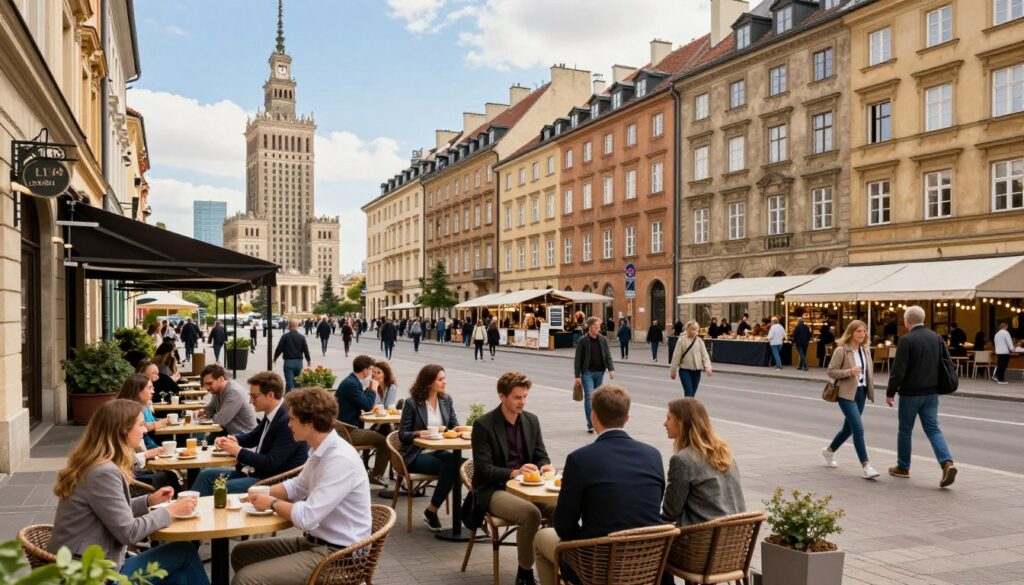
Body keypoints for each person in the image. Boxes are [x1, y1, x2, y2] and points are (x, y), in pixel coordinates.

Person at [49, 399, 209, 584]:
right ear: (122, 430)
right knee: (184, 552)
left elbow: (110, 511)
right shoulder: (103, 472)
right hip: (90, 573)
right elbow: (129, 532)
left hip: (81, 563)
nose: (144, 430)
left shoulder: (94, 464)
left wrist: (149, 501)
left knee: (180, 574)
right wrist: (171, 511)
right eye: (140, 425)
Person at [230, 386, 372, 585]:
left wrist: (271, 502)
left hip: (340, 556)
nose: (288, 425)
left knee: (246, 579)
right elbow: (297, 487)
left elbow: (307, 517)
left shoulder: (340, 458)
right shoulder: (320, 449)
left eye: (292, 419)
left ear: (309, 422)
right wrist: (257, 493)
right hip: (315, 543)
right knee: (241, 553)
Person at [534, 385, 664, 585]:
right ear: (627, 418)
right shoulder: (653, 455)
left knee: (541, 539)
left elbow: (563, 526)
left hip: (598, 564)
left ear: (593, 416)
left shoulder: (580, 459)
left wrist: (585, 539)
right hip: (648, 562)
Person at [471, 372, 554, 585]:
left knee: (562, 506)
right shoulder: (484, 425)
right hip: (494, 489)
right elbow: (483, 469)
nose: (523, 402)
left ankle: (556, 564)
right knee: (530, 514)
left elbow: (541, 454)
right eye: (517, 397)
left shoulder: (531, 420)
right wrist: (514, 473)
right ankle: (524, 573)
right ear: (502, 396)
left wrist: (544, 466)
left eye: (525, 396)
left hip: (528, 488)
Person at [192, 371, 307, 496]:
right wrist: (233, 439)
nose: (251, 401)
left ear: (270, 395)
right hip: (258, 473)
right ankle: (192, 511)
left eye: (254, 396)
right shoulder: (273, 412)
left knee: (222, 487)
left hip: (274, 481)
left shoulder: (287, 421)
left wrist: (238, 451)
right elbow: (253, 437)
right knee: (206, 475)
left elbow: (270, 463)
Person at [886, 305, 957, 488]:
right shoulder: (936, 337)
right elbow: (946, 363)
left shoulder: (906, 340)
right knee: (933, 429)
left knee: (905, 431)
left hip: (911, 393)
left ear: (907, 321)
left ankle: (903, 467)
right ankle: (946, 462)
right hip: (932, 392)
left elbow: (898, 370)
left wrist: (890, 392)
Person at [661, 398, 745, 527]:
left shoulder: (682, 460)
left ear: (681, 422)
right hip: (735, 538)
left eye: (669, 418)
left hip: (701, 541)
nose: (665, 424)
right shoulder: (724, 452)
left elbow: (670, 512)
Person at [399, 364, 463, 531]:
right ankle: (432, 512)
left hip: (439, 451)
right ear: (428, 382)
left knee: (465, 465)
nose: (445, 382)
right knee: (451, 466)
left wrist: (458, 429)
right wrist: (418, 433)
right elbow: (402, 434)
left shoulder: (446, 399)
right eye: (440, 379)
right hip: (416, 454)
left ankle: (463, 511)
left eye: (445, 378)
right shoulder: (412, 403)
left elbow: (453, 424)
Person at [822, 320, 880, 479]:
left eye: (864, 331)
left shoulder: (866, 350)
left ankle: (828, 451)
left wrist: (870, 390)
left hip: (860, 393)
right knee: (858, 429)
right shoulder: (841, 351)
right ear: (850, 333)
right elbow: (831, 371)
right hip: (846, 394)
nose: (862, 334)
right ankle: (866, 466)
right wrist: (849, 372)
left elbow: (868, 374)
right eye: (858, 331)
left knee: (848, 429)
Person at [115, 374, 178, 493]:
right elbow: (125, 460)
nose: (153, 390)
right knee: (170, 476)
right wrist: (147, 454)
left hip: (134, 469)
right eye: (149, 387)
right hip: (134, 476)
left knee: (171, 474)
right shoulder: (127, 413)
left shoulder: (137, 408)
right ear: (137, 390)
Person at [335, 355, 390, 486]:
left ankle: (369, 469)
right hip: (347, 431)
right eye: (371, 370)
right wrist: (373, 389)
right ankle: (376, 475)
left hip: (348, 427)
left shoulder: (352, 381)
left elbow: (362, 402)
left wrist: (367, 390)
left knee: (385, 431)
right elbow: (367, 406)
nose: (372, 373)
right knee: (384, 441)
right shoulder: (351, 384)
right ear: (365, 370)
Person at [572, 317, 616, 434]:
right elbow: (577, 360)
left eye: (599, 327)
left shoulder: (602, 339)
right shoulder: (583, 341)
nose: (598, 329)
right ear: (590, 327)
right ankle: (591, 423)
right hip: (587, 373)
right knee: (589, 397)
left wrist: (611, 369)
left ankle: (597, 421)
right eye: (596, 327)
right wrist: (577, 376)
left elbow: (607, 355)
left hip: (599, 372)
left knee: (597, 399)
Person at [198, 364, 258, 437]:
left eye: (210, 383)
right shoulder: (217, 391)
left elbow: (221, 420)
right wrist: (203, 412)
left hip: (244, 436)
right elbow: (210, 409)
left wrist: (208, 416)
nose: (207, 388)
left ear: (221, 379)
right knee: (206, 439)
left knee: (207, 439)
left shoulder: (234, 392)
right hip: (228, 432)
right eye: (205, 384)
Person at [669, 320, 713, 397]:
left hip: (696, 371)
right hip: (685, 370)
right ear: (688, 329)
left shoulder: (699, 341)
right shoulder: (682, 340)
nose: (693, 331)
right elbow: (676, 356)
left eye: (695, 329)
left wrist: (708, 367)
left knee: (692, 393)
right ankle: (688, 408)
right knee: (689, 392)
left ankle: (687, 408)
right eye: (692, 329)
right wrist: (673, 370)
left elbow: (705, 356)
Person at [274, 319, 311, 392]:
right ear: (297, 326)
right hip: (298, 362)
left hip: (288, 362)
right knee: (297, 382)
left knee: (289, 382)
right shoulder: (302, 337)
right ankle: (297, 397)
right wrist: (308, 360)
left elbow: (279, 348)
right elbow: (305, 349)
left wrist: (275, 357)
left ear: (289, 326)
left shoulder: (285, 336)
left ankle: (289, 398)